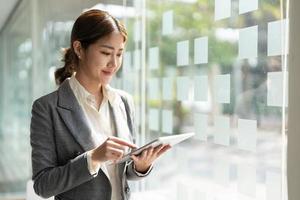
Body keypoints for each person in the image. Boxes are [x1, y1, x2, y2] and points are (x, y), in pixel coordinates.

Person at [30, 9, 171, 200]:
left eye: (119, 54)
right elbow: (43, 185)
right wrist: (93, 158)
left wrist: (141, 166)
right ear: (79, 49)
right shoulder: (47, 108)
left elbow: (120, 172)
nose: (113, 63)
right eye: (106, 52)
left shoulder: (124, 102)